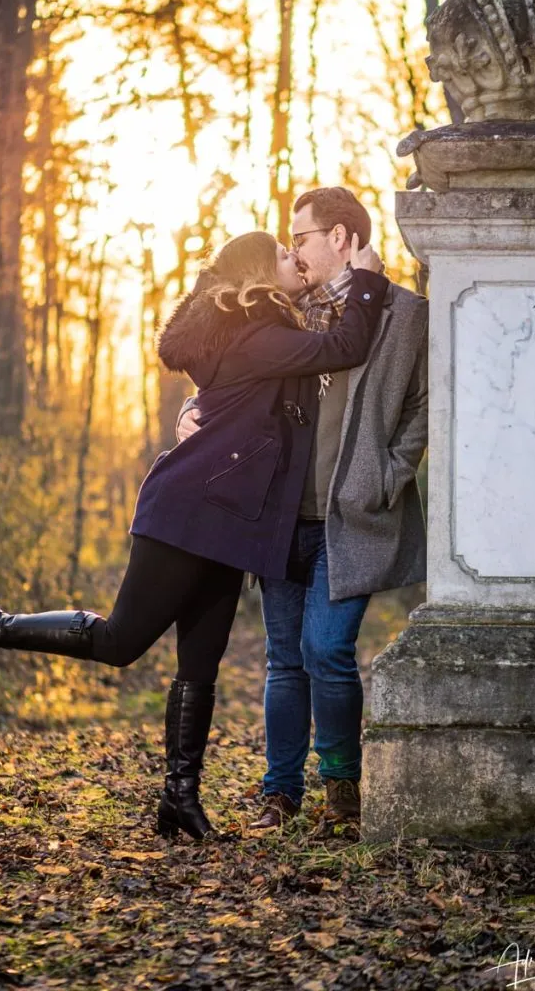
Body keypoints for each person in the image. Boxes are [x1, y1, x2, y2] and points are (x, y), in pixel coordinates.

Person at [0, 229, 388, 842]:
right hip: (187, 510)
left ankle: (179, 799)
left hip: (233, 521)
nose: (293, 258)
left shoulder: (259, 330)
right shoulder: (257, 336)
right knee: (122, 640)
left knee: (200, 664)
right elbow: (346, 344)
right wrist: (368, 278)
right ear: (256, 272)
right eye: (283, 253)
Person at [176, 189, 428, 834]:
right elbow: (224, 375)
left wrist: (390, 471)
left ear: (340, 238)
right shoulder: (284, 313)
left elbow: (426, 403)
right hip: (281, 516)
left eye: (302, 237)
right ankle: (279, 793)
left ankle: (341, 788)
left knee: (327, 650)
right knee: (284, 659)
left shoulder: (403, 315)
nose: (293, 250)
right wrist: (195, 413)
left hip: (355, 516)